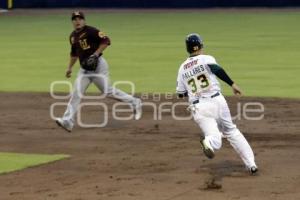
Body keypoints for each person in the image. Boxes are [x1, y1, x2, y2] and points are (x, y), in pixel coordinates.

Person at [176, 33, 258, 174]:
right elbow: (217, 70)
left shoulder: (182, 68)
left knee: (215, 139)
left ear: (188, 49)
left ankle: (209, 142)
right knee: (231, 131)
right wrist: (232, 84)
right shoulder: (206, 58)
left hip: (199, 108)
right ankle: (251, 164)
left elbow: (180, 93)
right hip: (217, 101)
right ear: (200, 46)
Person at [55, 11, 142, 132]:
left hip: (98, 66)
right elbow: (74, 54)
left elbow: (106, 40)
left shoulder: (91, 31)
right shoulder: (72, 36)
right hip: (84, 70)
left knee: (108, 92)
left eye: (80, 18)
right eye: (75, 19)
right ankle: (68, 121)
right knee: (76, 93)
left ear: (84, 20)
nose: (77, 21)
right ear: (72, 22)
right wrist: (69, 68)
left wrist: (95, 54)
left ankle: (135, 102)